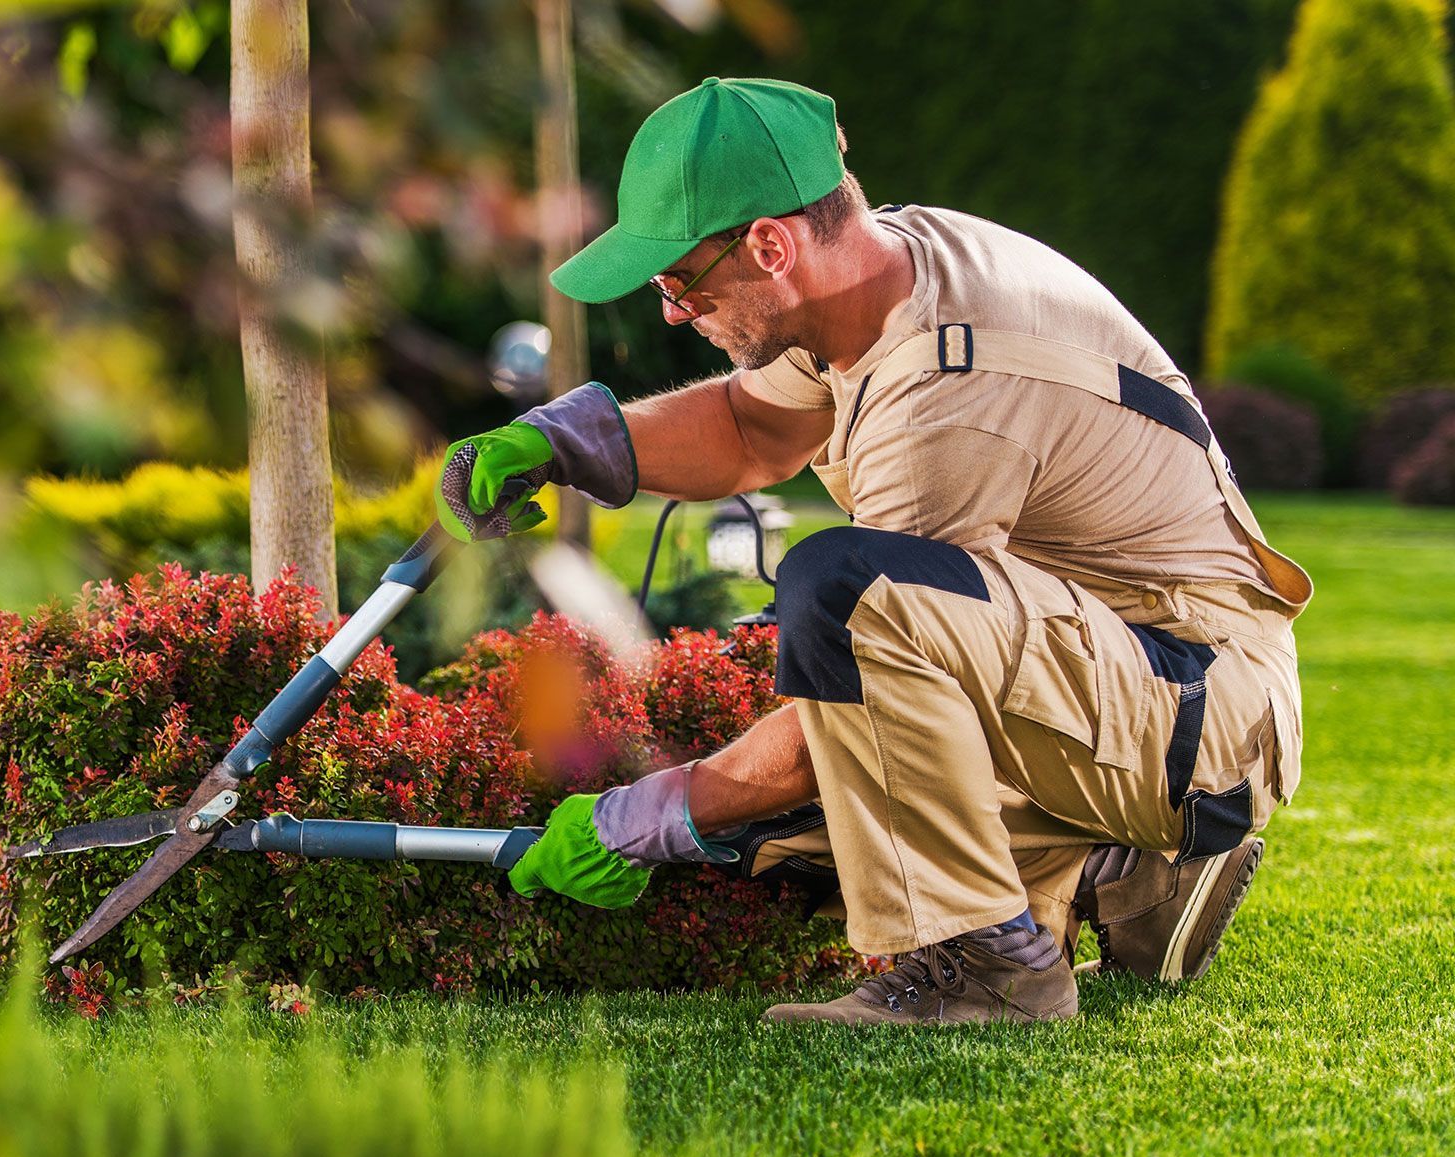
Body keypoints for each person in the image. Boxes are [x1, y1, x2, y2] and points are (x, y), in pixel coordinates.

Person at [434, 77, 1309, 1026]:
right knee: (801, 824)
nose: (674, 315)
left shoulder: (948, 391)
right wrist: (567, 444)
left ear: (770, 244)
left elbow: (845, 704)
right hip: (1126, 670)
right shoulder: (878, 272)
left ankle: (994, 968)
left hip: (1199, 710)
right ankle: (1123, 875)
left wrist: (641, 819)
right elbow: (750, 428)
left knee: (837, 609)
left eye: (679, 282)